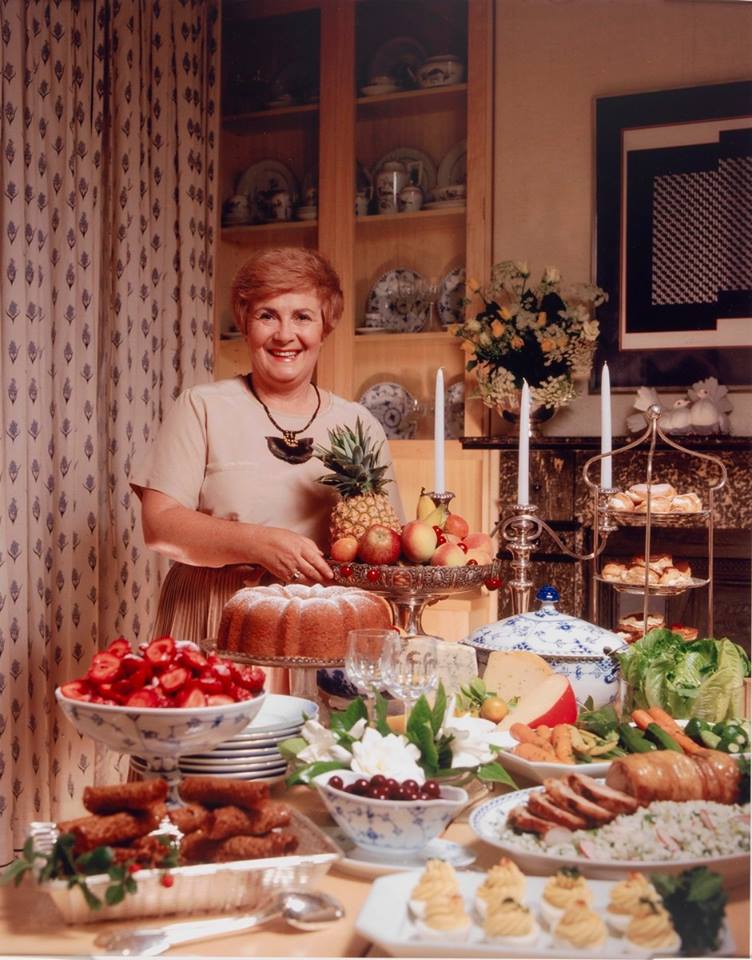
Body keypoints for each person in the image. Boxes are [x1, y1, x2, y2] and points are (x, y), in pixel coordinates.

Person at [130, 247, 403, 674]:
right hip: (216, 617)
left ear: (325, 326)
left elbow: (387, 545)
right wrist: (258, 542)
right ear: (245, 323)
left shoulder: (359, 423)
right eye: (267, 315)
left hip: (323, 629)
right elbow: (159, 524)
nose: (284, 335)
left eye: (302, 317)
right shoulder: (201, 407)